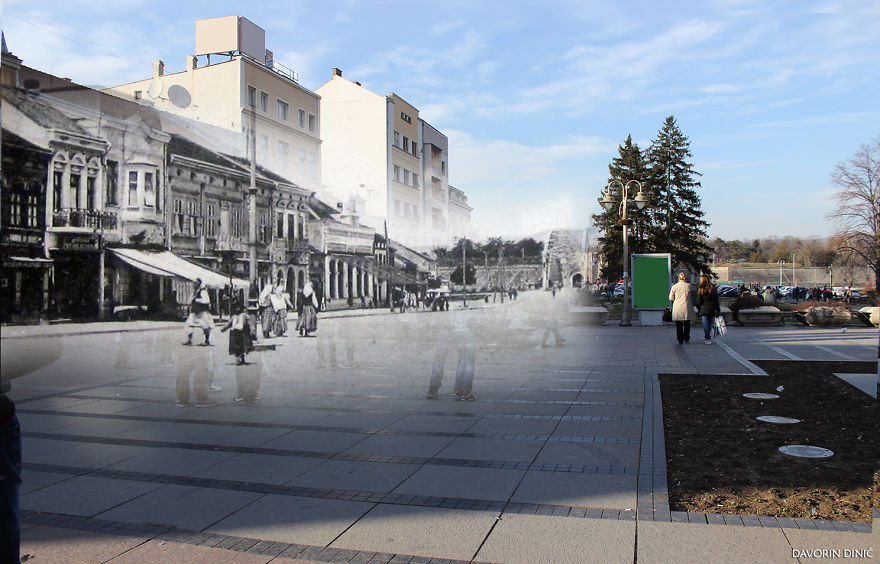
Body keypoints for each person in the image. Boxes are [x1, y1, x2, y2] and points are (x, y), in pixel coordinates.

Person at [183, 278, 213, 346]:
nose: (193, 285)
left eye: (195, 283)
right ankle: (189, 340)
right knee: (189, 324)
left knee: (205, 326)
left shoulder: (203, 291)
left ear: (198, 284)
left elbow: (206, 301)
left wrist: (197, 300)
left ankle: (206, 341)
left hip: (202, 312)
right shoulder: (195, 292)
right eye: (193, 283)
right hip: (194, 312)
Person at [696, 274, 721, 345]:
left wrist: (699, 307)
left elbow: (698, 301)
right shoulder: (713, 288)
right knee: (709, 323)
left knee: (705, 324)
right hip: (712, 308)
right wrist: (718, 309)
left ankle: (708, 338)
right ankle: (706, 336)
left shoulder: (701, 288)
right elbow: (716, 300)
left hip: (704, 308)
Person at [669, 272, 693, 344]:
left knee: (678, 324)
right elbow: (692, 295)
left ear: (678, 278)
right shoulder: (689, 286)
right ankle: (686, 337)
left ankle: (680, 339)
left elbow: (671, 297)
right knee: (687, 323)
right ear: (685, 278)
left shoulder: (675, 286)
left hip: (678, 306)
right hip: (687, 306)